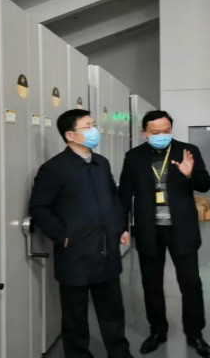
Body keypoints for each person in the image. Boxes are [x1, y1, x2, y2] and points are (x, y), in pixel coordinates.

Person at [29, 109, 132, 358]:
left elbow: (113, 198)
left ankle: (120, 354)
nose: (95, 130)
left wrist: (120, 227)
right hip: (75, 253)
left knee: (113, 311)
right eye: (88, 126)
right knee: (75, 316)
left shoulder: (101, 163)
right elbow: (39, 207)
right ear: (70, 135)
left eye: (93, 124)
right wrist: (63, 236)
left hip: (106, 249)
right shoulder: (54, 168)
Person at [118, 110, 210, 358]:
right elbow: (124, 194)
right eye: (156, 132)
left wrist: (190, 174)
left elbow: (205, 184)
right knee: (151, 285)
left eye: (166, 131)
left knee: (191, 284)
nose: (162, 135)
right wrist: (121, 227)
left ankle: (195, 333)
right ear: (144, 133)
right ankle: (157, 331)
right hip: (149, 230)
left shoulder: (187, 151)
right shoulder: (134, 156)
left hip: (182, 229)